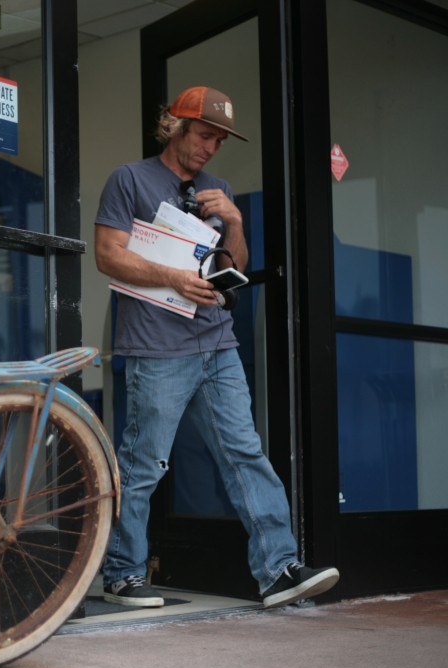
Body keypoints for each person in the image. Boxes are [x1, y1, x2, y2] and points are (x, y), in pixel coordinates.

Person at [94, 86, 339, 609]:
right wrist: (174, 278)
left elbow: (236, 270)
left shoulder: (218, 189)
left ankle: (277, 571)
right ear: (176, 126)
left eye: (219, 141)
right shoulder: (130, 179)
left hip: (216, 343)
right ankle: (122, 573)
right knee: (144, 464)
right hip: (156, 347)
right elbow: (108, 256)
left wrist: (236, 220)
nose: (211, 148)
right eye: (205, 135)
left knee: (245, 454)